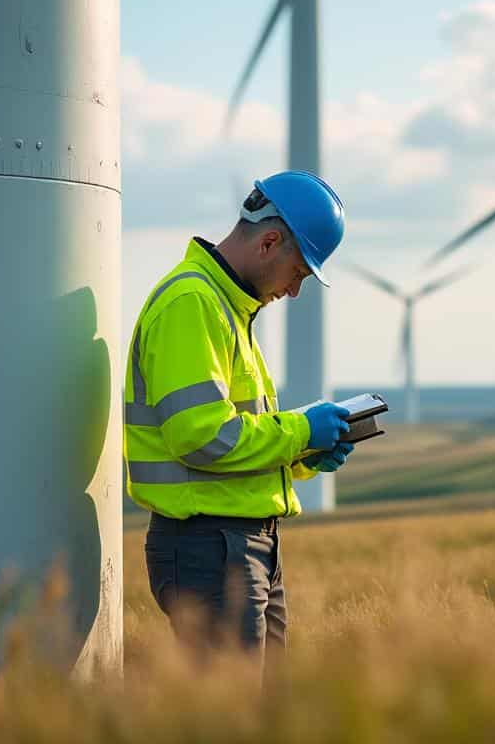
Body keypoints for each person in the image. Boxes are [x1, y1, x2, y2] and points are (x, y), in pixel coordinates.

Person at [125, 169, 352, 676]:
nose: (295, 291)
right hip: (210, 548)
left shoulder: (229, 311)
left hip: (241, 546)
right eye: (300, 272)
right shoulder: (193, 304)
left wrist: (304, 455)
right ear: (270, 241)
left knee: (261, 714)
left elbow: (235, 442)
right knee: (229, 714)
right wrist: (300, 430)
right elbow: (202, 436)